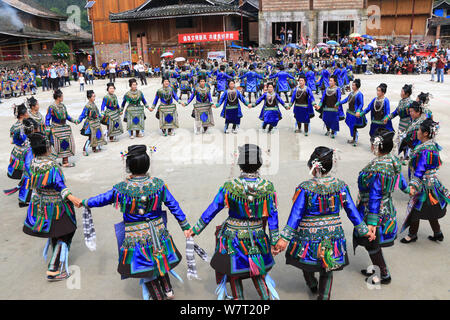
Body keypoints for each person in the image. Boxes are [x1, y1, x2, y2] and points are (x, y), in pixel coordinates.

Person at [81, 145, 190, 300]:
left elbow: (102, 199)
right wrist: (185, 225)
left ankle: (158, 296)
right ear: (148, 164)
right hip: (158, 232)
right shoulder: (158, 185)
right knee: (160, 257)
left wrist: (84, 202)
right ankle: (168, 289)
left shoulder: (121, 189)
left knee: (144, 267)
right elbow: (173, 205)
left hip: (136, 237)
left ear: (128, 166)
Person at [275, 147, 372, 300]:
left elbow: (296, 214)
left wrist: (284, 238)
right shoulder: (340, 186)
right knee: (328, 267)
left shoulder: (305, 188)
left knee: (305, 261)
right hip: (333, 236)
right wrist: (364, 229)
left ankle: (312, 283)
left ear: (313, 167)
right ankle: (324, 296)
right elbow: (351, 210)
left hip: (308, 235)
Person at [186, 144, 280, 300]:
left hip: (233, 238)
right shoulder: (268, 187)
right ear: (259, 163)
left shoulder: (230, 186)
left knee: (234, 274)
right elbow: (273, 216)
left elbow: (213, 208)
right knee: (258, 274)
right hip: (258, 237)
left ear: (240, 164)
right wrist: (275, 241)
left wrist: (195, 229)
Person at [23, 132, 81, 281]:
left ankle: (55, 264)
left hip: (41, 204)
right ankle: (54, 268)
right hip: (56, 206)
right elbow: (59, 184)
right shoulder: (52, 165)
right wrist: (72, 197)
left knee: (56, 232)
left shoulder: (32, 163)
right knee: (67, 231)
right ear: (48, 147)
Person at [354, 129, 408, 286]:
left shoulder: (377, 168)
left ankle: (384, 274)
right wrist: (408, 189)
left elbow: (375, 196)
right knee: (374, 243)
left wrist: (371, 222)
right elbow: (400, 179)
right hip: (387, 208)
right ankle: (378, 268)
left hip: (375, 211)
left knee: (372, 243)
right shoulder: (392, 160)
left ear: (377, 146)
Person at [401, 119, 450, 243]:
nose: (417, 131)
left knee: (415, 208)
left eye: (419, 130)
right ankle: (437, 233)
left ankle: (412, 235)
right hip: (433, 183)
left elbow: (420, 170)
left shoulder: (425, 150)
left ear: (425, 133)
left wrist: (413, 185)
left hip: (424, 185)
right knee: (430, 209)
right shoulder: (431, 145)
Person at [45, 89, 79, 167]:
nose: (63, 97)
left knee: (66, 144)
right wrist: (47, 127)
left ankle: (65, 161)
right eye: (62, 96)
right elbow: (47, 118)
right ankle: (52, 162)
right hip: (56, 128)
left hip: (64, 127)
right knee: (54, 145)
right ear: (58, 97)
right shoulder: (52, 107)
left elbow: (67, 116)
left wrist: (74, 120)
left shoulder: (63, 106)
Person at [385, 84, 413, 159]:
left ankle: (407, 157)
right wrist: (388, 117)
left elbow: (412, 116)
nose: (401, 93)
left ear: (407, 94)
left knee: (406, 140)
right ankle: (404, 156)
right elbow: (396, 112)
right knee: (401, 140)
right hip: (401, 124)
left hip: (408, 125)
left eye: (402, 92)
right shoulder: (401, 101)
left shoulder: (410, 103)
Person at [337, 78, 366, 146]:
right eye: (352, 85)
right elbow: (346, 100)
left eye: (353, 85)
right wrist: (339, 103)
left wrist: (358, 110)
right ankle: (353, 138)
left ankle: (355, 139)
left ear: (357, 86)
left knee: (354, 126)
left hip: (355, 113)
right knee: (351, 126)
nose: (352, 86)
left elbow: (361, 104)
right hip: (350, 112)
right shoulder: (351, 93)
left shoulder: (359, 94)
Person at [78, 90, 107, 156]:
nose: (94, 97)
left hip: (96, 123)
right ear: (89, 97)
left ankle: (94, 148)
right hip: (90, 124)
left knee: (95, 136)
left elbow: (97, 113)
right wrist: (78, 121)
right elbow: (83, 115)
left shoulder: (94, 105)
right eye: (93, 96)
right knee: (90, 137)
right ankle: (84, 150)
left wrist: (101, 116)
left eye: (94, 96)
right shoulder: (87, 106)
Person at [8, 103, 30, 180]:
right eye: (26, 112)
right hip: (23, 151)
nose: (28, 114)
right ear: (21, 115)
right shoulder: (20, 127)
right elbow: (14, 141)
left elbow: (12, 141)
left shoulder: (15, 126)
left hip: (18, 150)